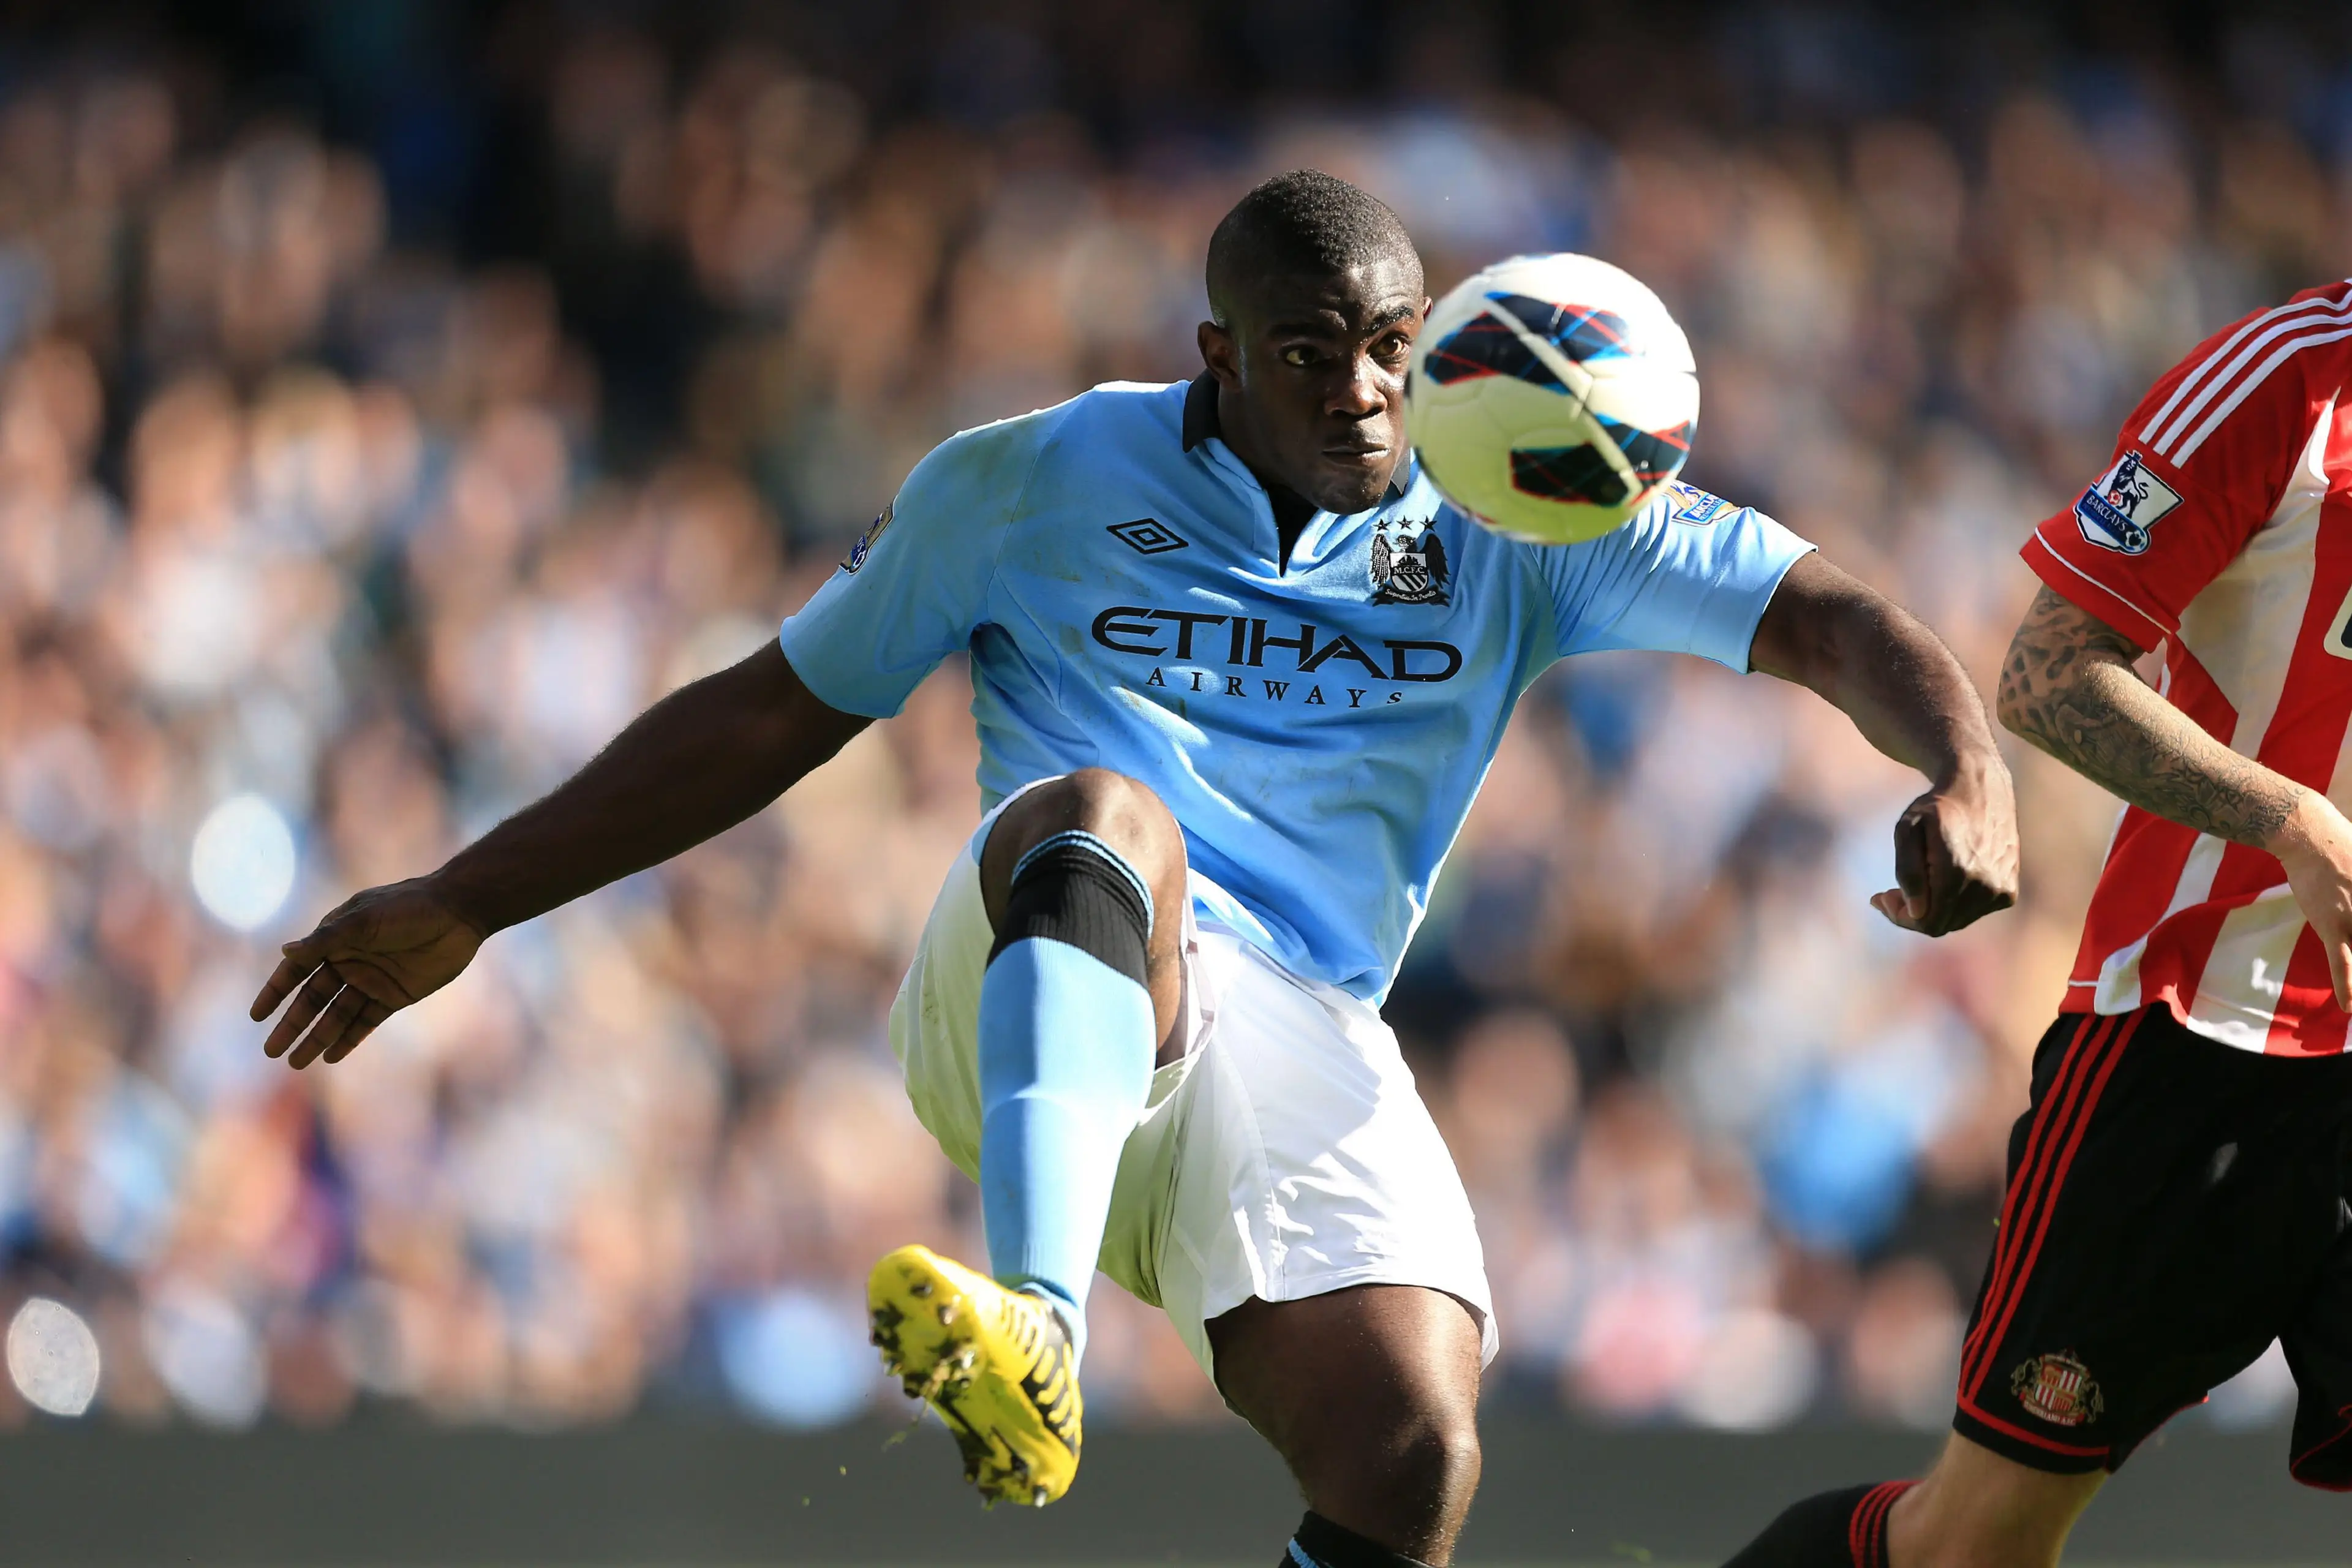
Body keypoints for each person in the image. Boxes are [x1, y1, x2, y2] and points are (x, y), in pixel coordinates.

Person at [251, 171, 2018, 1568]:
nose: (1369, 388)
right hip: (1037, 965)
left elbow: (1826, 616)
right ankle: (1029, 1325)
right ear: (1217, 355)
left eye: (1393, 344)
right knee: (1110, 806)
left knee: (1409, 1452)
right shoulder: (1029, 480)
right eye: (1315, 350)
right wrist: (472, 896)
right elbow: (767, 716)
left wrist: (1965, 765)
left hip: (1296, 1019)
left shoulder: (1515, 498)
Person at [1724, 280, 2352, 1568]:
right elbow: (2052, 675)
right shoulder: (2282, 382)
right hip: (2195, 1039)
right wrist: (2293, 820)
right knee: (1976, 1543)